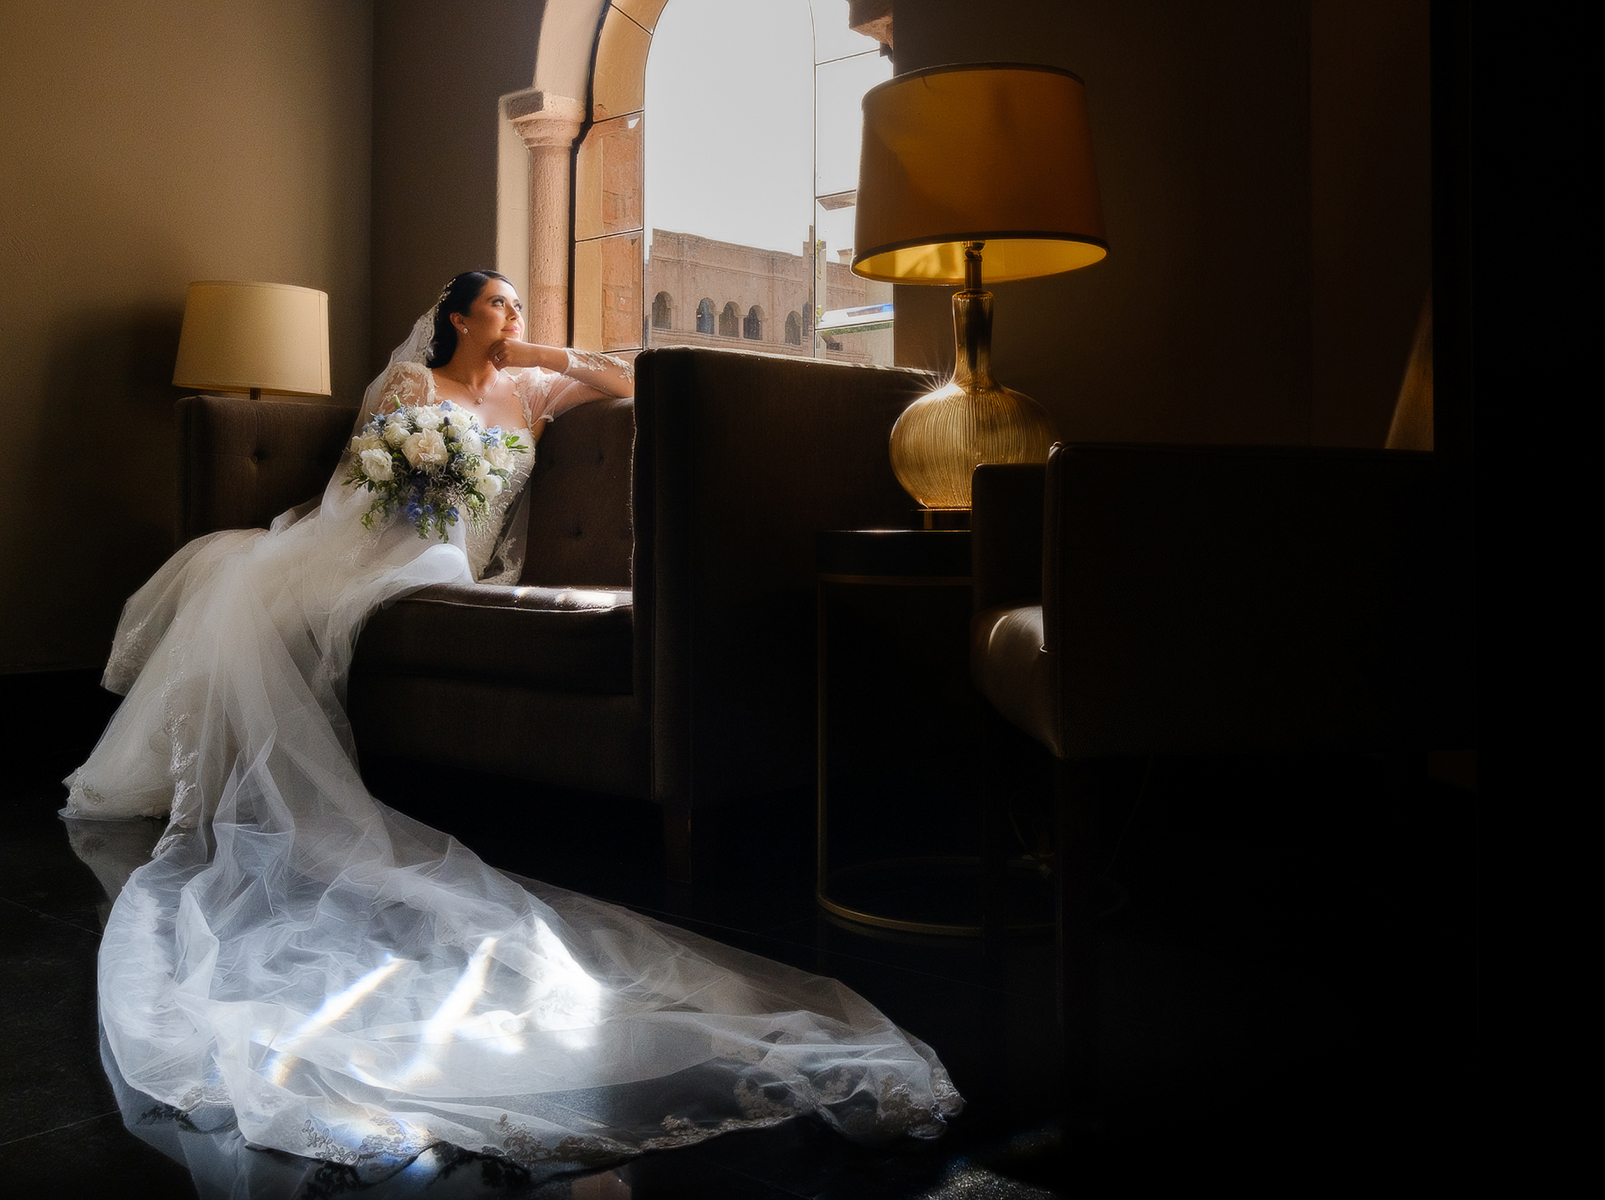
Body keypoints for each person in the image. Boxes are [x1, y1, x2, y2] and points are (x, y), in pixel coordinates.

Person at [61, 272, 962, 1170]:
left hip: (459, 561)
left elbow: (636, 385)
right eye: (498, 304)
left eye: (518, 305)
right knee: (274, 605)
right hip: (389, 546)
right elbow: (354, 486)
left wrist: (542, 355)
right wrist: (409, 488)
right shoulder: (413, 388)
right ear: (455, 316)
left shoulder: (532, 386)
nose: (512, 316)